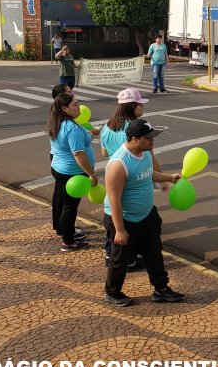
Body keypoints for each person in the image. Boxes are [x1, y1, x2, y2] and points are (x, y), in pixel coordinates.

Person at [103, 119, 184, 307]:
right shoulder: (118, 164)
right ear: (134, 139)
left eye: (152, 137)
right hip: (124, 219)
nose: (152, 141)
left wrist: (170, 177)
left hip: (147, 215)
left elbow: (149, 173)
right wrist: (120, 230)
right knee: (120, 259)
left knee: (154, 253)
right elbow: (114, 200)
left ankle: (161, 289)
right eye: (148, 138)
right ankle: (112, 292)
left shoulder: (144, 153)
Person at [101, 87, 164, 269]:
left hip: (116, 176)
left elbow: (105, 152)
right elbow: (150, 158)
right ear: (132, 106)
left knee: (114, 215)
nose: (142, 108)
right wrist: (159, 181)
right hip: (134, 178)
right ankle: (126, 262)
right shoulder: (137, 130)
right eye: (140, 105)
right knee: (131, 227)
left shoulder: (107, 127)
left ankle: (110, 254)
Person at [47, 93, 97, 252]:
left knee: (63, 204)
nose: (79, 107)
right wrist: (91, 174)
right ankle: (68, 242)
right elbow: (78, 154)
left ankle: (64, 231)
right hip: (72, 173)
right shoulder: (72, 128)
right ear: (64, 108)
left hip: (59, 168)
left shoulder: (57, 122)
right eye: (75, 104)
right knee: (70, 207)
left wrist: (87, 134)